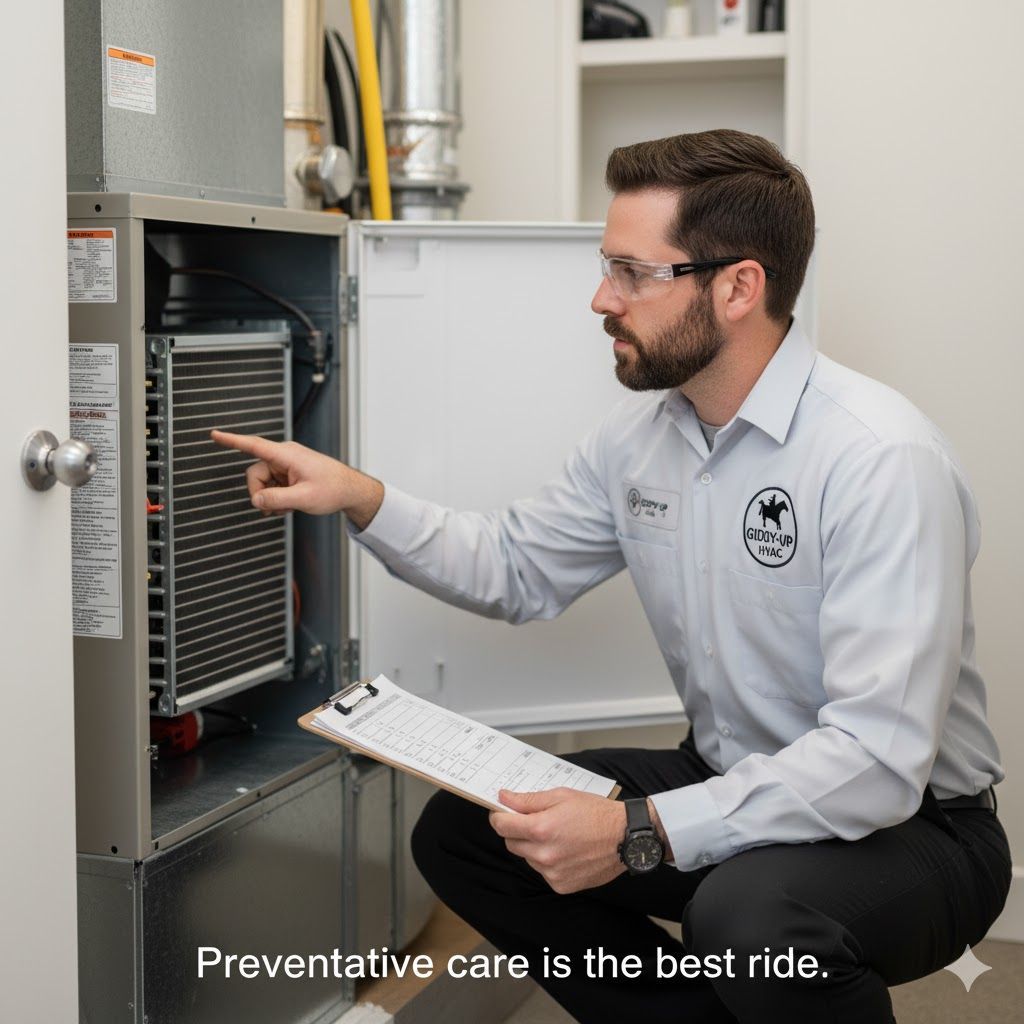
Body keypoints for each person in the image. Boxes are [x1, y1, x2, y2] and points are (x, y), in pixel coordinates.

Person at [212, 129, 1011, 1024]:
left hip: (916, 829)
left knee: (746, 919)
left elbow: (875, 760)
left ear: (738, 286)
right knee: (472, 833)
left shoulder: (878, 458)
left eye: (634, 273)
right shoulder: (636, 444)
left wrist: (639, 832)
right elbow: (515, 568)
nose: (602, 298)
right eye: (607, 267)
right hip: (729, 770)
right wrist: (361, 498)